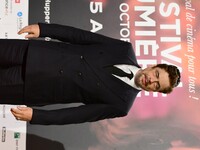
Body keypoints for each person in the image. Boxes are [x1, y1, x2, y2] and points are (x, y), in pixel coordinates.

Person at [0, 23, 180, 125]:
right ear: (154, 66)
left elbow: (77, 115)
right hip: (33, 51)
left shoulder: (121, 105)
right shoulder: (123, 49)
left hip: (33, 85)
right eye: (156, 74)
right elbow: (82, 36)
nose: (151, 80)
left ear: (156, 91)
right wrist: (45, 29)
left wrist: (38, 116)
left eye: (157, 84)